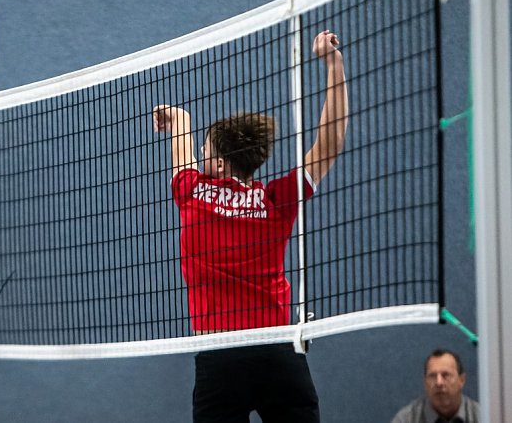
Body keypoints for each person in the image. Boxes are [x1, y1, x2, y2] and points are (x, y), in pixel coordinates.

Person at [153, 29, 348, 423]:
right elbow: (330, 145)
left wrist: (178, 119)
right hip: (277, 353)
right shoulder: (277, 200)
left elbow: (181, 141)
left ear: (219, 164)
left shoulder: (191, 192)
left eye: (206, 150)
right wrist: (334, 64)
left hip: (221, 360)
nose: (200, 155)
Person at [391, 349, 480, 423]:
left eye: (446, 375)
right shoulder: (406, 419)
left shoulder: (482, 416)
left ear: (462, 380)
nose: (439, 382)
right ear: (425, 382)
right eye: (432, 376)